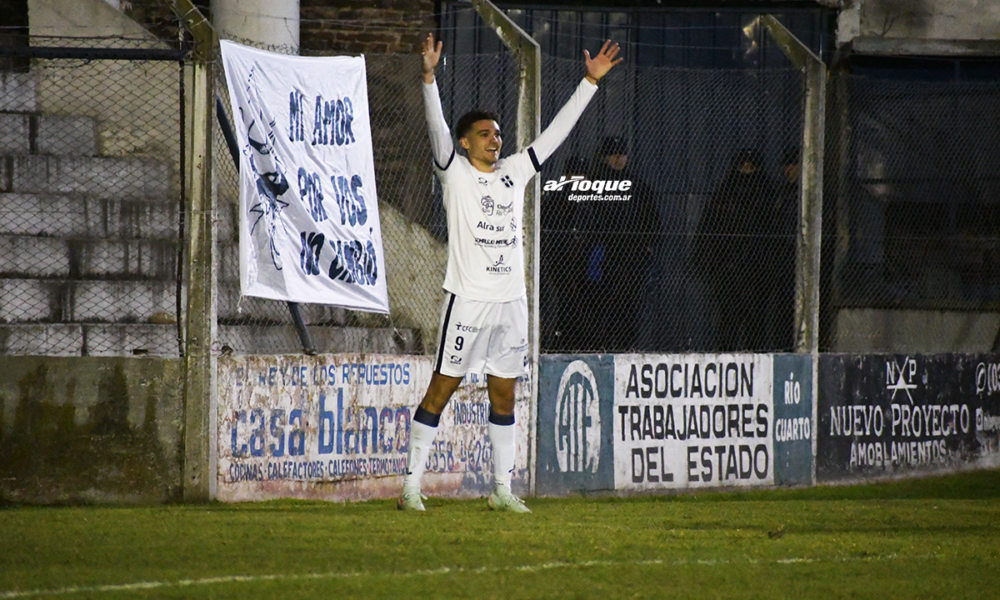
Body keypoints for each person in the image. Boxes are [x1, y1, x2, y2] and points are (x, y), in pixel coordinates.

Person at [399, 33, 622, 512]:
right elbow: (437, 130)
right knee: (442, 387)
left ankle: (502, 490)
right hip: (468, 300)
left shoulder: (515, 170)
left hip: (511, 303)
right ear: (465, 143)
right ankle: (411, 488)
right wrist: (428, 78)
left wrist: (589, 82)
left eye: (497, 133)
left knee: (504, 394)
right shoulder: (453, 171)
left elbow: (556, 134)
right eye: (485, 134)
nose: (495, 139)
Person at [575, 136, 659, 352]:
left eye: (622, 155)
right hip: (603, 256)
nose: (618, 159)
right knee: (601, 305)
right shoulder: (595, 184)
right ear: (605, 157)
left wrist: (646, 245)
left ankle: (625, 348)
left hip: (632, 257)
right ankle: (602, 348)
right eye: (613, 155)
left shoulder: (636, 186)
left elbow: (653, 219)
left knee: (630, 306)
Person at [693, 148, 777, 351]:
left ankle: (754, 358)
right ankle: (727, 357)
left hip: (756, 268)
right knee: (728, 317)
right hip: (727, 267)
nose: (746, 170)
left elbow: (774, 231)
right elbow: (708, 227)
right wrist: (704, 260)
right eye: (743, 166)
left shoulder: (767, 194)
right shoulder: (726, 192)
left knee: (754, 318)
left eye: (751, 166)